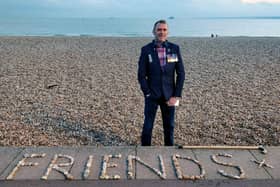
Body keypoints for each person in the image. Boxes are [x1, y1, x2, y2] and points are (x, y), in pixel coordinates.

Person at [137, 20, 185, 146]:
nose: (161, 32)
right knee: (148, 126)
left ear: (167, 32)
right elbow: (141, 75)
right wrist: (147, 93)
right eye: (159, 29)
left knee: (169, 126)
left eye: (164, 30)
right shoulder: (146, 50)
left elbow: (181, 73)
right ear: (154, 31)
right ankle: (145, 149)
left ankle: (169, 150)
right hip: (152, 95)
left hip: (169, 95)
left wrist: (176, 95)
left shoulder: (174, 49)